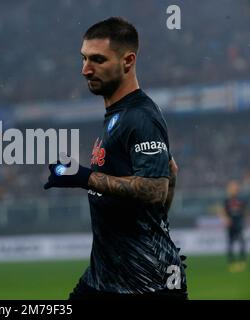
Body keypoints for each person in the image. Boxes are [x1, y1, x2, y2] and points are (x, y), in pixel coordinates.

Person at [44, 17, 187, 299]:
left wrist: (84, 177)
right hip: (104, 276)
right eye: (84, 58)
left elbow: (156, 188)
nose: (85, 69)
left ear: (128, 61)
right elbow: (171, 170)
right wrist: (152, 228)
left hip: (146, 284)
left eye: (97, 59)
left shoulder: (140, 116)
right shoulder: (118, 114)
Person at [219, 180, 247, 272]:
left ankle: (242, 262)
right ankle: (232, 263)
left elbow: (245, 212)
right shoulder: (227, 201)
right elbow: (222, 212)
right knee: (230, 244)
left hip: (239, 224)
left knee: (242, 242)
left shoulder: (241, 200)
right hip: (231, 225)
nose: (234, 190)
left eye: (235, 188)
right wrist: (225, 219)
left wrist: (245, 220)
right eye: (232, 188)